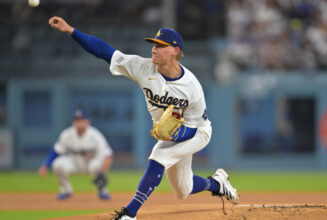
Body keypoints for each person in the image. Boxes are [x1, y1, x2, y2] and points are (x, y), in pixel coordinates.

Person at [47, 16, 239, 219]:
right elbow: (104, 51)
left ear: (175, 51)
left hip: (197, 132)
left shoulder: (192, 87)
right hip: (171, 135)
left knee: (159, 157)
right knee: (183, 189)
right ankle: (218, 183)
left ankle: (130, 213)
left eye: (160, 45)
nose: (154, 49)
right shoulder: (142, 67)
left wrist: (176, 132)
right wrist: (71, 30)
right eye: (153, 45)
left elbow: (194, 127)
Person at [38, 109, 113, 201]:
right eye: (76, 120)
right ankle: (66, 190)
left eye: (82, 119)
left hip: (90, 162)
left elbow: (108, 155)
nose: (79, 122)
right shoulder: (67, 134)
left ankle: (102, 191)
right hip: (74, 163)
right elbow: (56, 151)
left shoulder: (95, 135)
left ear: (87, 121)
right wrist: (45, 165)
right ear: (73, 122)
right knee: (57, 164)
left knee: (95, 165)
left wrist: (102, 173)